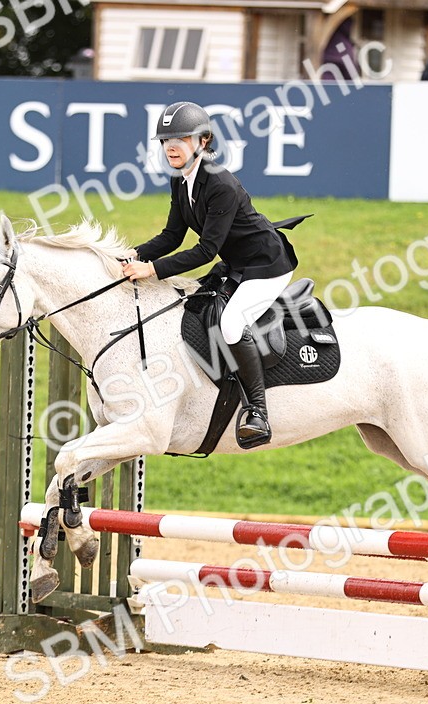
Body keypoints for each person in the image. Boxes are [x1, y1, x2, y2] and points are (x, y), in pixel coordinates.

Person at [122, 101, 300, 449]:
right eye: (165, 140)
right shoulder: (181, 180)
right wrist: (135, 254)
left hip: (266, 266)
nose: (170, 147)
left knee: (232, 323)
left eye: (180, 139)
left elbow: (205, 250)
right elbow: (172, 236)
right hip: (237, 265)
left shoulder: (220, 183)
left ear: (203, 141)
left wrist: (152, 270)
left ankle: (258, 411)